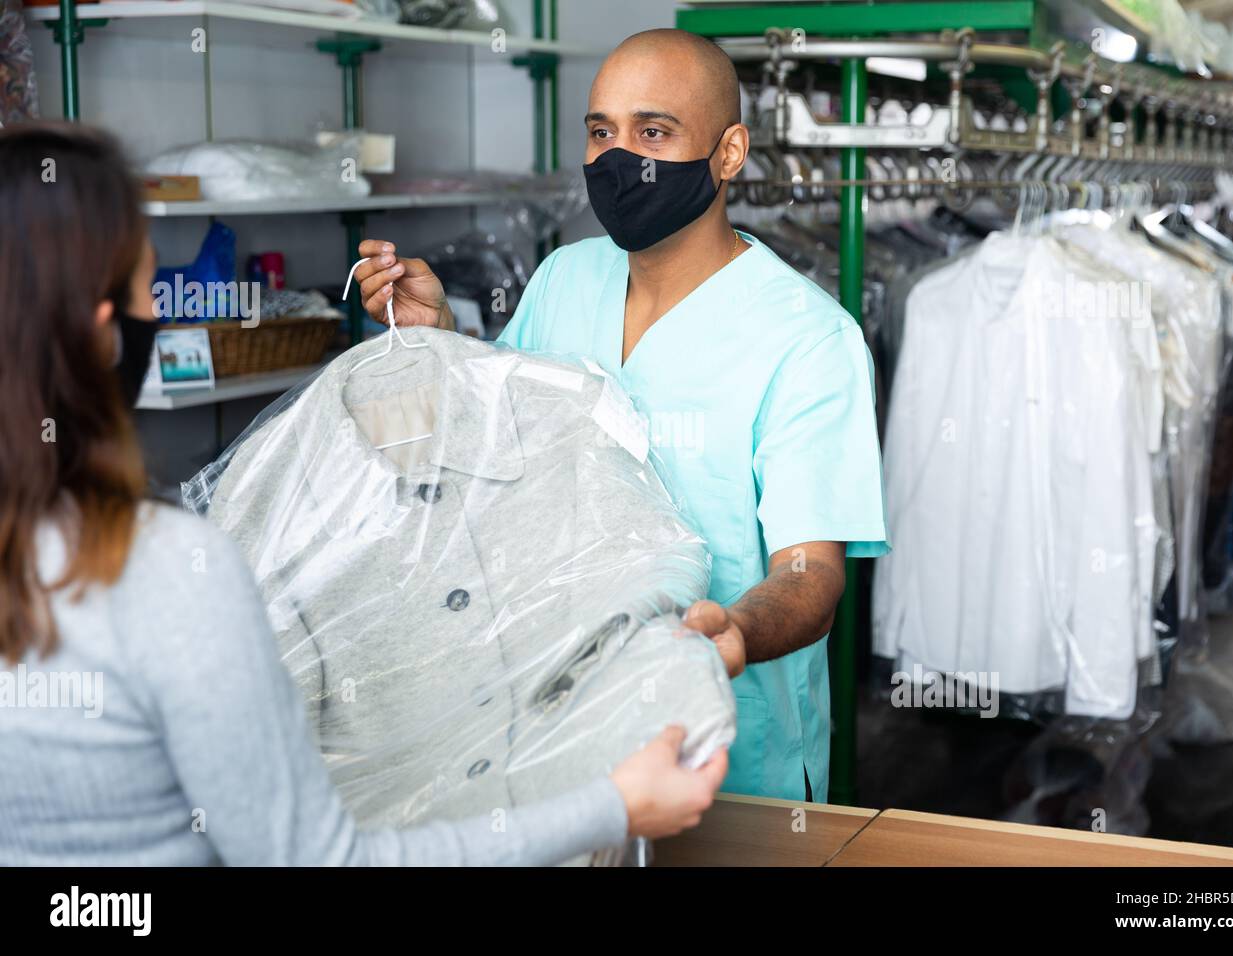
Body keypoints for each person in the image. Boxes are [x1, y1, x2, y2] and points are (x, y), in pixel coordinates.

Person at [0, 121, 726, 866]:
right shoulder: (167, 568)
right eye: (149, 290)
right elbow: (315, 861)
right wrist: (613, 807)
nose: (161, 313)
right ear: (102, 331)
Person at [349, 28, 890, 803]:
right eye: (601, 132)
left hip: (730, 756)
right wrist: (438, 339)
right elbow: (491, 448)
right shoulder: (563, 280)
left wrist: (734, 632)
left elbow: (811, 573)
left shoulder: (808, 339)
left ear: (729, 153)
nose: (618, 158)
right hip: (559, 731)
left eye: (654, 132)